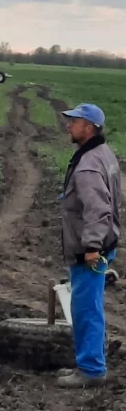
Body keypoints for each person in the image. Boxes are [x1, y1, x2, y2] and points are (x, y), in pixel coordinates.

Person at [57, 102, 121, 389]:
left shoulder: (87, 166)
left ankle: (92, 370)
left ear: (90, 127)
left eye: (75, 121)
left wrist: (92, 247)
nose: (69, 125)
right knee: (90, 306)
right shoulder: (103, 154)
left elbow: (98, 209)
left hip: (91, 251)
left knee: (86, 309)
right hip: (103, 244)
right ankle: (90, 362)